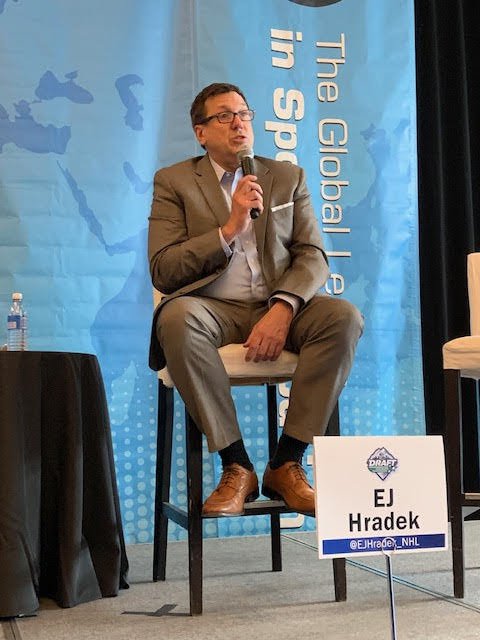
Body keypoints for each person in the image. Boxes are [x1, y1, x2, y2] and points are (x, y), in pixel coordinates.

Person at [148, 82, 363, 517]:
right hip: (213, 309)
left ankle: (287, 462)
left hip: (278, 306)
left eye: (244, 114)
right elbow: (164, 269)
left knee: (343, 317)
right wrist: (228, 229)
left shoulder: (286, 177)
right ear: (201, 132)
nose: (238, 123)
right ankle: (236, 465)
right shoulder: (174, 182)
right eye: (224, 116)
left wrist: (283, 307)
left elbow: (313, 255)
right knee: (175, 318)